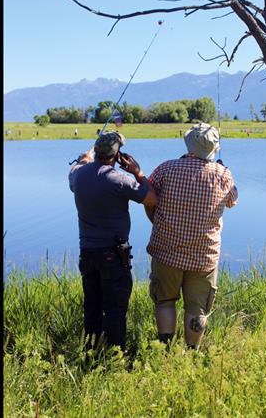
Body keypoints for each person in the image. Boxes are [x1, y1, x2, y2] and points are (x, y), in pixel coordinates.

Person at [144, 123, 238, 349]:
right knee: (198, 309)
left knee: (165, 301)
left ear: (188, 144)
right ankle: (192, 352)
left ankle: (165, 349)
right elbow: (233, 201)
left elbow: (148, 197)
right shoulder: (224, 174)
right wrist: (223, 170)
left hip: (166, 250)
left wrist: (156, 221)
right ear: (214, 148)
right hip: (204, 257)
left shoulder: (166, 169)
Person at [68, 131, 157, 351]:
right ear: (117, 156)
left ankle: (91, 352)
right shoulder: (119, 179)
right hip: (113, 255)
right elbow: (151, 198)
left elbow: (74, 169)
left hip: (87, 253)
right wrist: (137, 172)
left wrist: (83, 158)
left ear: (96, 151)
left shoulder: (79, 175)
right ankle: (115, 357)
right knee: (115, 309)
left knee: (92, 306)